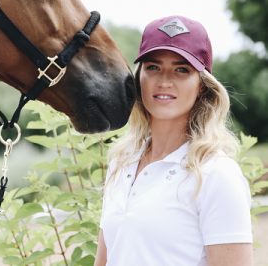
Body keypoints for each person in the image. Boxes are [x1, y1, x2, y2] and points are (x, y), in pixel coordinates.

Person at [95, 16, 253, 266]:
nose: (164, 81)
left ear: (201, 85)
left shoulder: (215, 174)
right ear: (139, 78)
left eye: (182, 69)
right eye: (153, 67)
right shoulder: (121, 162)